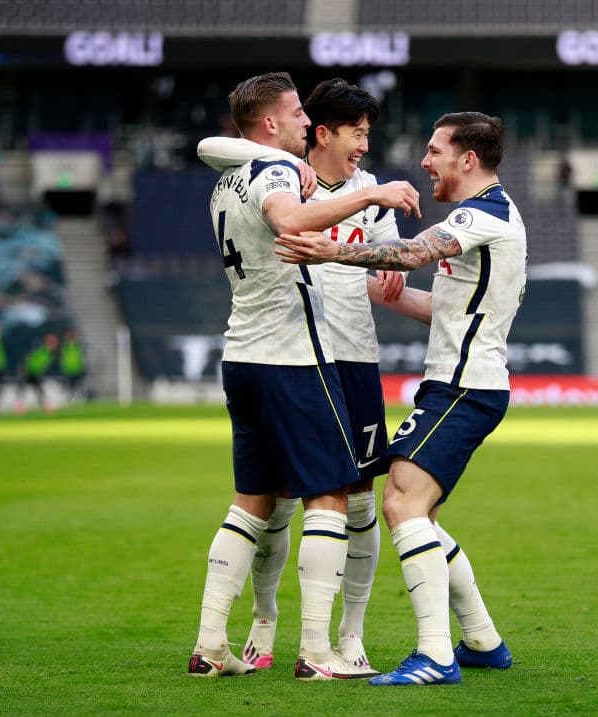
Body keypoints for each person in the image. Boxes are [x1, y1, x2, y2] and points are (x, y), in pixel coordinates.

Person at [185, 71, 421, 681]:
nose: (302, 121)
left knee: (251, 502)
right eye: (294, 114)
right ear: (271, 124)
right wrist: (370, 197)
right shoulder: (277, 174)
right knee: (330, 495)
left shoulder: (226, 182)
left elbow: (221, 152)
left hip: (242, 355)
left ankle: (211, 643)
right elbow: (293, 223)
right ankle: (316, 652)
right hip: (293, 356)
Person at [276, 112, 526, 686]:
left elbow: (412, 253)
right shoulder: (493, 217)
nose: (425, 160)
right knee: (423, 515)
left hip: (465, 387)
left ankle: (436, 656)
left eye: (435, 150)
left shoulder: (481, 213)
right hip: (460, 383)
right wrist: (363, 285)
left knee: (400, 505)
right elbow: (440, 305)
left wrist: (330, 251)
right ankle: (482, 640)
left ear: (467, 159)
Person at [17, 333, 58, 412]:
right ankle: (19, 407)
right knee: (22, 389)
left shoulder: (51, 353)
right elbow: (28, 357)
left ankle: (45, 406)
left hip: (35, 373)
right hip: (27, 371)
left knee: (39, 390)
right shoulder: (40, 349)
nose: (56, 344)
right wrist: (23, 368)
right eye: (54, 343)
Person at [59, 329, 87, 401]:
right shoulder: (65, 346)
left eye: (71, 335)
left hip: (78, 368)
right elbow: (63, 357)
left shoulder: (78, 345)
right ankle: (71, 398)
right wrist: (64, 366)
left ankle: (81, 398)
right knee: (70, 386)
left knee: (79, 385)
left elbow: (82, 356)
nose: (70, 336)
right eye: (69, 335)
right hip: (69, 369)